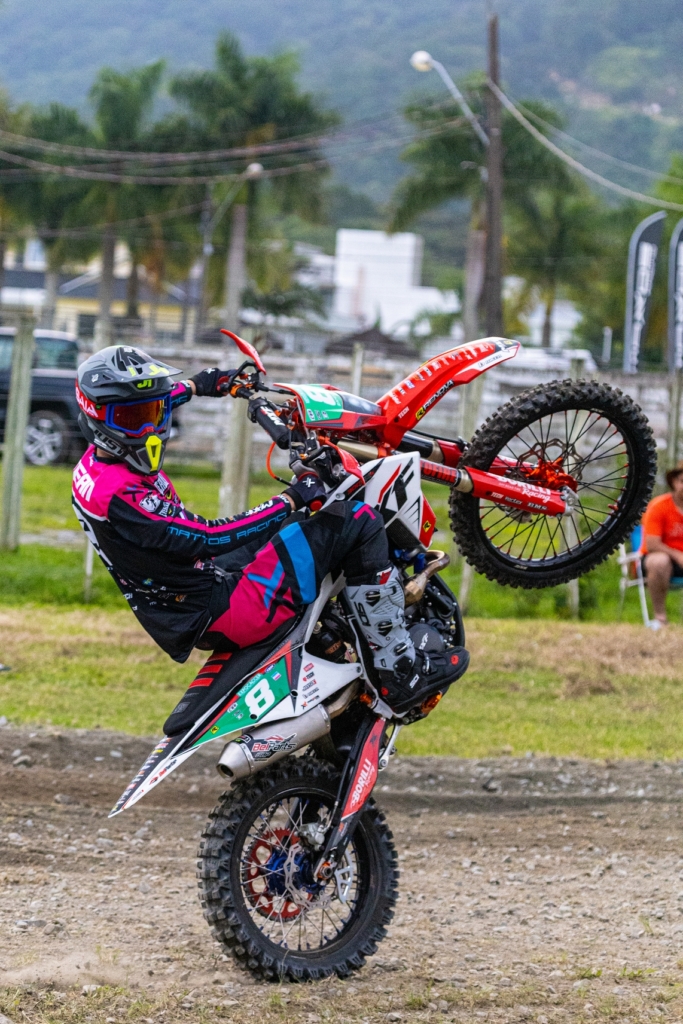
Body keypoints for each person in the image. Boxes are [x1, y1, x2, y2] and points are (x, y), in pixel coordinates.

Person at [71, 345, 467, 716]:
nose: (149, 427)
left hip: (189, 593)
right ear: (97, 418)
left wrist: (204, 384)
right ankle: (399, 671)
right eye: (133, 419)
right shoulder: (117, 494)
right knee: (357, 520)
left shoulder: (97, 463)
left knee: (311, 520)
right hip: (222, 606)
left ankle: (337, 637)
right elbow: (208, 537)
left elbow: (153, 400)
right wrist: (291, 497)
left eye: (154, 412)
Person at [641, 459, 683, 627]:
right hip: (661, 560)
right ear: (674, 482)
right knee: (659, 561)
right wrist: (677, 555)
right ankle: (660, 618)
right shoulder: (659, 506)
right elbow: (652, 544)